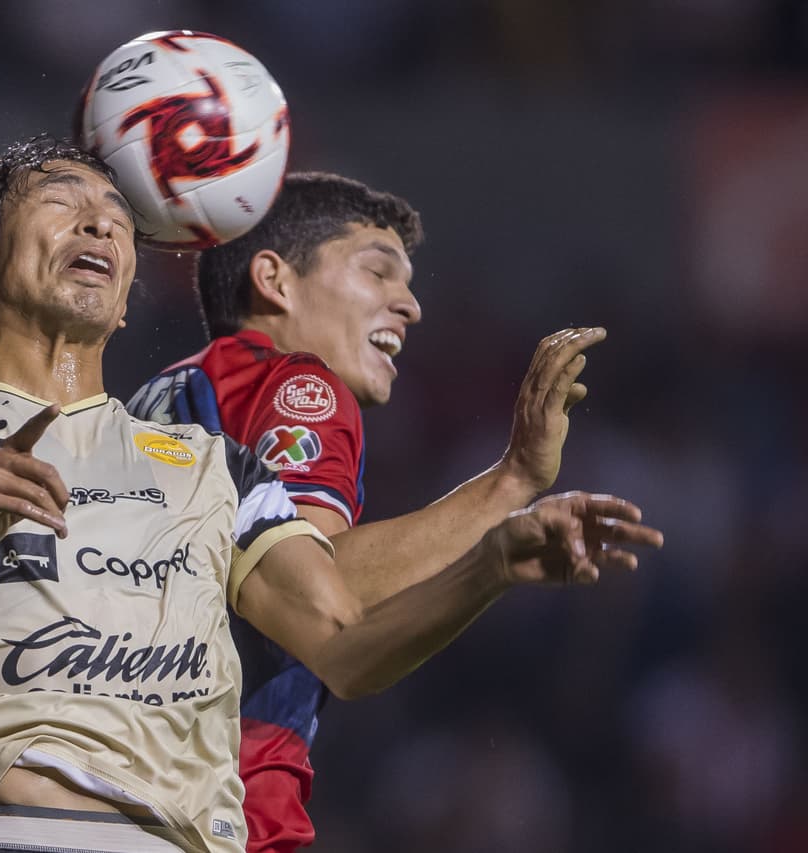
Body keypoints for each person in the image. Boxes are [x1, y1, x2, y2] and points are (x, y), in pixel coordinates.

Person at [0, 135, 661, 853]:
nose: (100, 219)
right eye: (62, 200)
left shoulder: (211, 463)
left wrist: (491, 565)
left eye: (117, 214)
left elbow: (344, 647)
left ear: (129, 298)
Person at [128, 171, 605, 851]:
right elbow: (325, 591)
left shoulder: (163, 391)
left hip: (126, 790)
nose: (409, 305)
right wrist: (512, 482)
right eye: (378, 272)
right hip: (222, 808)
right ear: (275, 280)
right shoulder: (299, 384)